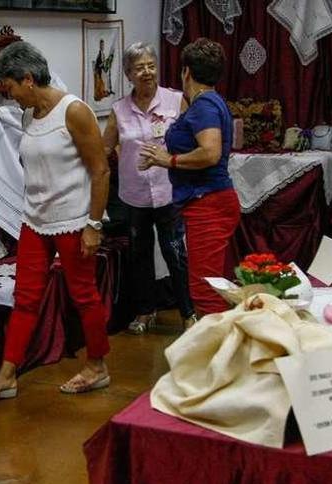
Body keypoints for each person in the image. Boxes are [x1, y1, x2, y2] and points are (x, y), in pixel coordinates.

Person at [0, 41, 111, 403]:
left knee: (83, 295)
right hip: (35, 220)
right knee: (25, 298)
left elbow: (100, 170)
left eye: (12, 89)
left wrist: (94, 224)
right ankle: (7, 375)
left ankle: (97, 366)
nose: (11, 97)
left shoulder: (75, 111)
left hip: (74, 220)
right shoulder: (28, 115)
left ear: (29, 80)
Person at [138, 37, 240, 316]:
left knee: (204, 291)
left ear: (186, 72)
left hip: (208, 202)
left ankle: (214, 357)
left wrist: (167, 160)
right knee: (213, 284)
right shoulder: (209, 102)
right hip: (209, 201)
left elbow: (210, 152)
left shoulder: (204, 105)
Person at [103, 42, 196, 333]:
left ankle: (188, 312)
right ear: (129, 74)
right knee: (139, 255)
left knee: (175, 253)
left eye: (150, 65)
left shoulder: (176, 100)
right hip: (134, 195)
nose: (146, 72)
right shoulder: (119, 110)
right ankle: (145, 311)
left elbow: (192, 141)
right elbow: (105, 148)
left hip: (169, 190)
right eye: (139, 68)